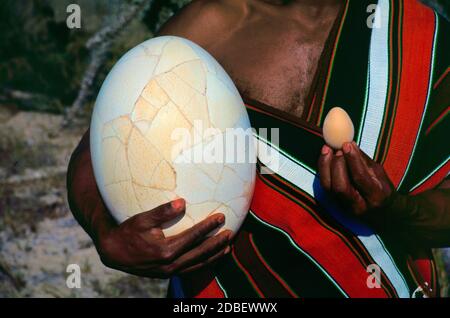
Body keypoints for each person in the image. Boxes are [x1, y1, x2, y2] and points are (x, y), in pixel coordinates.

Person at [67, 0, 450, 297]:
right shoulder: (210, 26)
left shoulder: (417, 39)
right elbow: (98, 144)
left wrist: (397, 211)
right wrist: (106, 231)